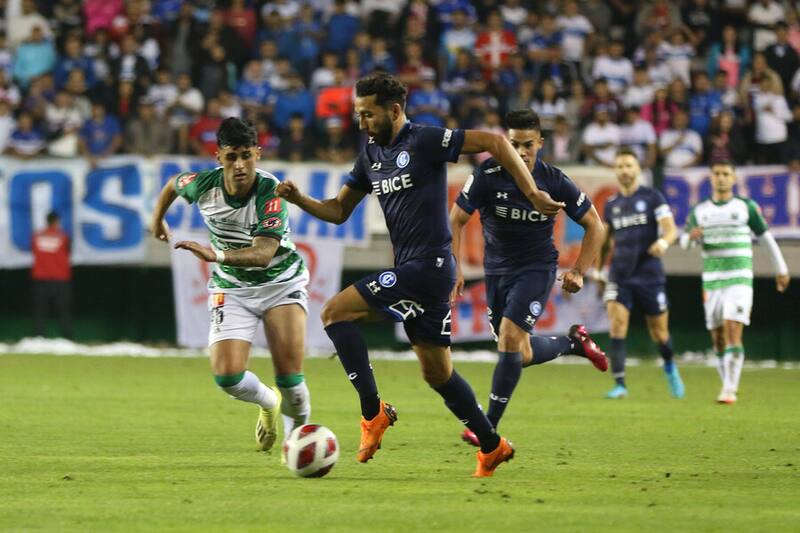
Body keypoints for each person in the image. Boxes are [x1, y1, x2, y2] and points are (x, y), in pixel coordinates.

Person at [277, 72, 564, 477]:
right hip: (415, 271)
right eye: (358, 115)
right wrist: (299, 199)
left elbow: (496, 143)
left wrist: (533, 193)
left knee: (334, 313)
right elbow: (339, 212)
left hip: (428, 267)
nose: (361, 123)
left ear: (395, 111)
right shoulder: (370, 155)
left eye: (368, 115)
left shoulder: (426, 140)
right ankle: (492, 444)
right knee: (438, 373)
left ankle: (372, 412)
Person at [149, 117, 311, 452]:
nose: (240, 165)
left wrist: (215, 255)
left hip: (280, 283)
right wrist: (157, 220)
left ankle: (298, 446)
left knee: (291, 379)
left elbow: (265, 253)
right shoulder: (203, 185)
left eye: (246, 156)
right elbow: (172, 185)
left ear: (258, 154)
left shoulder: (271, 192)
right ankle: (268, 402)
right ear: (219, 157)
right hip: (233, 287)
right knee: (228, 377)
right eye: (232, 156)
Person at [449, 109, 608, 446]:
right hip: (496, 272)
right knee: (517, 353)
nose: (521, 152)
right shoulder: (487, 174)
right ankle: (573, 343)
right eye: (514, 144)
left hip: (536, 268)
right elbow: (456, 221)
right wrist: (456, 268)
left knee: (508, 338)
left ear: (541, 144)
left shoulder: (554, 180)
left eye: (528, 145)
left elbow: (595, 224)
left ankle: (486, 428)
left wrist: (579, 270)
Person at [680, 161, 790, 404]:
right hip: (712, 281)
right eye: (717, 173)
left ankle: (730, 389)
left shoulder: (745, 207)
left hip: (739, 278)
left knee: (732, 328)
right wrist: (691, 237)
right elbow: (685, 243)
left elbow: (766, 238)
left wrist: (781, 269)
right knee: (717, 338)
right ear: (711, 178)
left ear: (733, 178)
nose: (721, 178)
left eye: (726, 174)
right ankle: (726, 384)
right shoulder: (700, 210)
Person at [597, 148, 684, 399]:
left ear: (637, 169)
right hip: (620, 274)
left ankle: (669, 367)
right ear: (616, 171)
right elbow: (605, 242)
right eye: (620, 166)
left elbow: (671, 230)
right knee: (617, 324)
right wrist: (600, 271)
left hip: (649, 274)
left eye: (628, 166)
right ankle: (620, 384)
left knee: (659, 332)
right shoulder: (612, 205)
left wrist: (663, 244)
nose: (624, 170)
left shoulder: (653, 197)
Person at [31, 211, 72, 339]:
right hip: (60, 279)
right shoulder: (63, 237)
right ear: (56, 222)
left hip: (41, 278)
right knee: (63, 310)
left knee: (40, 310)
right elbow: (68, 249)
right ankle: (67, 338)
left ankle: (38, 336)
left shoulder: (36, 236)